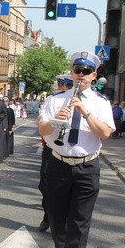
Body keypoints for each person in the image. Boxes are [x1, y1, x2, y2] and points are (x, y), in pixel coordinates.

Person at [38, 51, 114, 248]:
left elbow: (105, 133)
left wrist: (85, 112)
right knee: (55, 211)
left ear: (94, 75)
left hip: (87, 166)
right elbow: (42, 129)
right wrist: (54, 121)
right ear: (72, 73)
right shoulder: (55, 100)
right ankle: (60, 245)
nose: (80, 75)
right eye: (76, 71)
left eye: (85, 72)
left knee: (80, 218)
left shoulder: (101, 103)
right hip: (59, 163)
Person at [37, 74, 73, 232]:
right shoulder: (54, 100)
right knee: (45, 185)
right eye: (61, 85)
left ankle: (63, 222)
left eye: (66, 86)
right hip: (51, 149)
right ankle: (48, 216)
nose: (62, 88)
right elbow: (42, 122)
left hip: (69, 150)